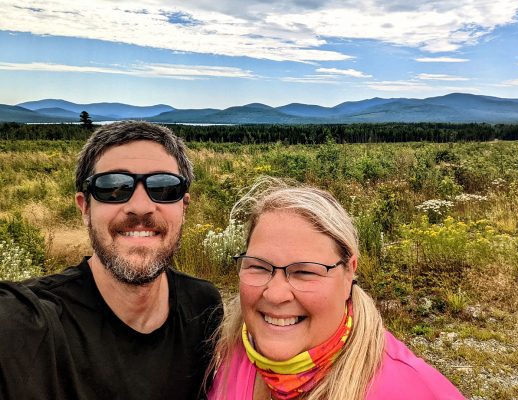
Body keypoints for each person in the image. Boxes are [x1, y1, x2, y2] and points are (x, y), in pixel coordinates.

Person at [0, 121, 222, 400]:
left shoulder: (203, 306)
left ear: (184, 207)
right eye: (114, 187)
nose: (140, 206)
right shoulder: (29, 325)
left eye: (164, 188)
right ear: (84, 208)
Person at [208, 177, 465, 400]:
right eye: (258, 267)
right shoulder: (229, 351)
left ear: (349, 273)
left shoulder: (412, 388)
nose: (275, 294)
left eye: (305, 271)